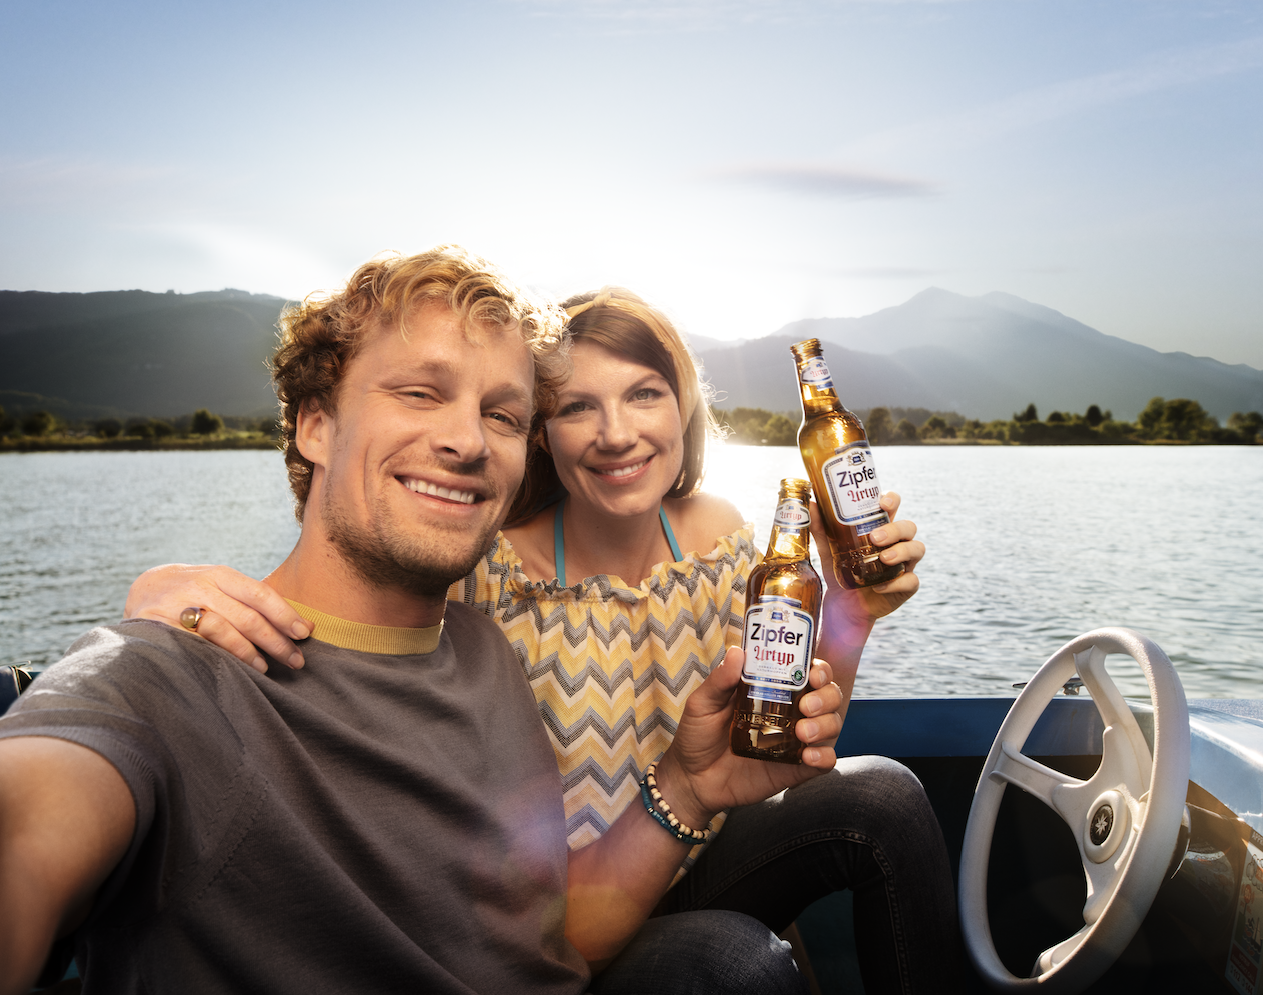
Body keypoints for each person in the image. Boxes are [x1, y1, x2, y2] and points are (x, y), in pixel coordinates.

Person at [0, 249, 849, 995]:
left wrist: (692, 784)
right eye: (418, 393)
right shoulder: (171, 672)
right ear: (313, 423)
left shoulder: (484, 649)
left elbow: (553, 945)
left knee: (727, 960)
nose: (466, 441)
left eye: (499, 414)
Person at [126, 287, 960, 991]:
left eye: (643, 394)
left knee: (882, 792)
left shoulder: (717, 537)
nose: (616, 433)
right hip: (560, 910)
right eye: (575, 407)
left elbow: (791, 734)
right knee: (734, 961)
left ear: (683, 409)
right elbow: (344, 592)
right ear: (540, 434)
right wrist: (170, 596)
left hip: (698, 848)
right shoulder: (483, 564)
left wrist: (852, 612)